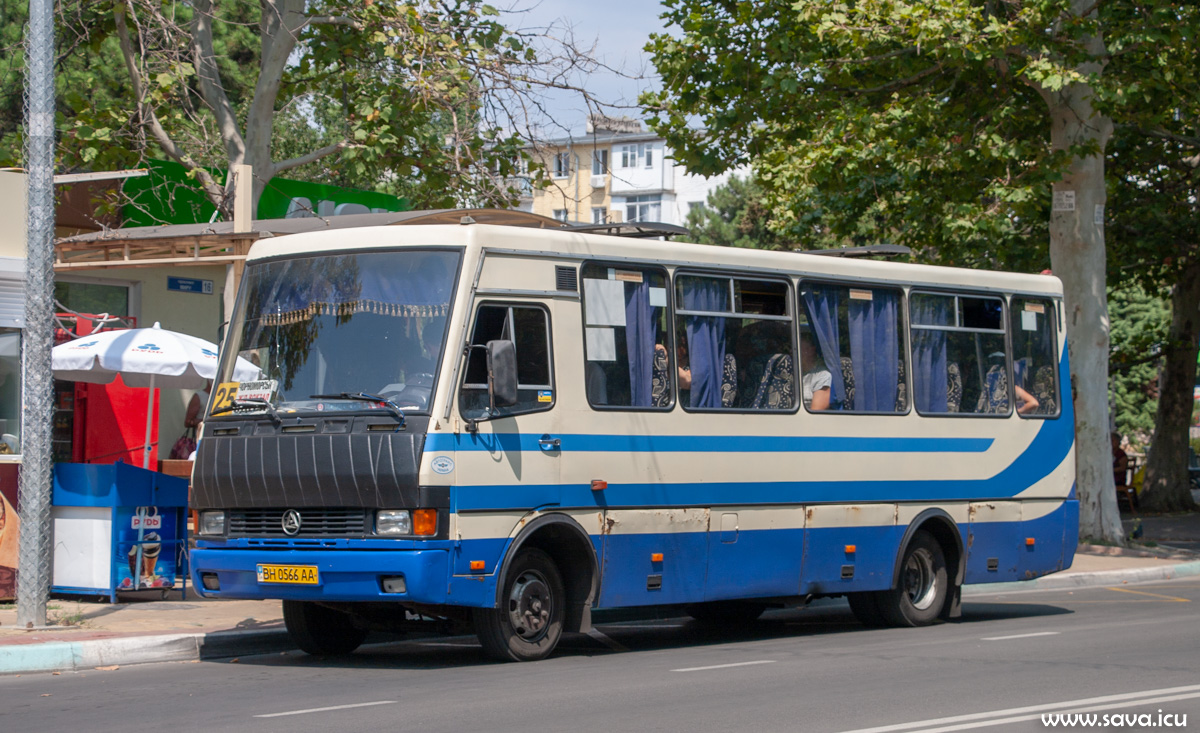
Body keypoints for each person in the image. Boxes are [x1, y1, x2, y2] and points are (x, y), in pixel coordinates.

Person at [799, 330, 831, 411]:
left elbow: (816, 413)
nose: (792, 351)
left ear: (811, 350)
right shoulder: (794, 373)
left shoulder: (823, 375)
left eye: (799, 348)